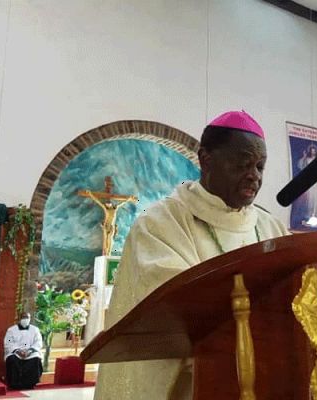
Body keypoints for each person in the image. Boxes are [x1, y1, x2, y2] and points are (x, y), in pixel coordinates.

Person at [94, 111, 289, 400]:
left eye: (260, 166)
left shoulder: (271, 227)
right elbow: (176, 310)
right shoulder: (159, 224)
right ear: (206, 158)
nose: (254, 176)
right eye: (243, 163)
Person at [3, 312, 43, 390]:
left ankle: (30, 383)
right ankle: (14, 384)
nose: (25, 319)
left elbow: (38, 342)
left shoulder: (35, 329)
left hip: (30, 352)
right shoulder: (11, 330)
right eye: (23, 317)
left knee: (36, 359)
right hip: (16, 352)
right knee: (12, 359)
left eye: (27, 318)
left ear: (30, 319)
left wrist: (30, 351)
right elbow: (8, 343)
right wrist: (18, 351)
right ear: (19, 318)